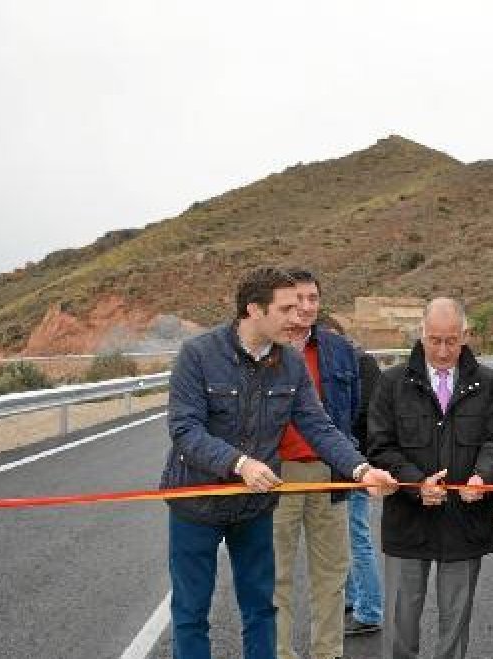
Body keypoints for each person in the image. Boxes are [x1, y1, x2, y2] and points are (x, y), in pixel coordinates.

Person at [160, 267, 396, 659]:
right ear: (254, 309)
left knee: (261, 609)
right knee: (191, 613)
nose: (297, 315)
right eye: (285, 308)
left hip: (254, 508)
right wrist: (240, 463)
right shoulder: (198, 355)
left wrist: (360, 470)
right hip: (195, 506)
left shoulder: (290, 363)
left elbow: (319, 426)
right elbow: (185, 430)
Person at [367, 298, 493, 659]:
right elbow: (380, 447)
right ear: (421, 334)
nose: (444, 350)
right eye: (434, 340)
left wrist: (483, 476)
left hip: (465, 521)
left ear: (465, 335)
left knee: (455, 624)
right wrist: (417, 485)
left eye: (451, 340)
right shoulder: (392, 383)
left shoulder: (489, 382)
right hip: (407, 521)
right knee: (401, 622)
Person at [273, 268, 367, 659]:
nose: (308, 307)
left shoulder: (339, 349)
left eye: (314, 298)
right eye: (299, 300)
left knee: (331, 577)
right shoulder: (265, 349)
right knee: (274, 577)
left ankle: (327, 653)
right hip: (276, 475)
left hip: (330, 474)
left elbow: (354, 409)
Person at [317, 314, 386, 638]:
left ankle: (369, 609)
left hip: (355, 465)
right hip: (335, 466)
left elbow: (366, 417)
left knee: (356, 537)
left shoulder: (362, 364)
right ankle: (353, 598)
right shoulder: (336, 366)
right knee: (338, 539)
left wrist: (357, 463)